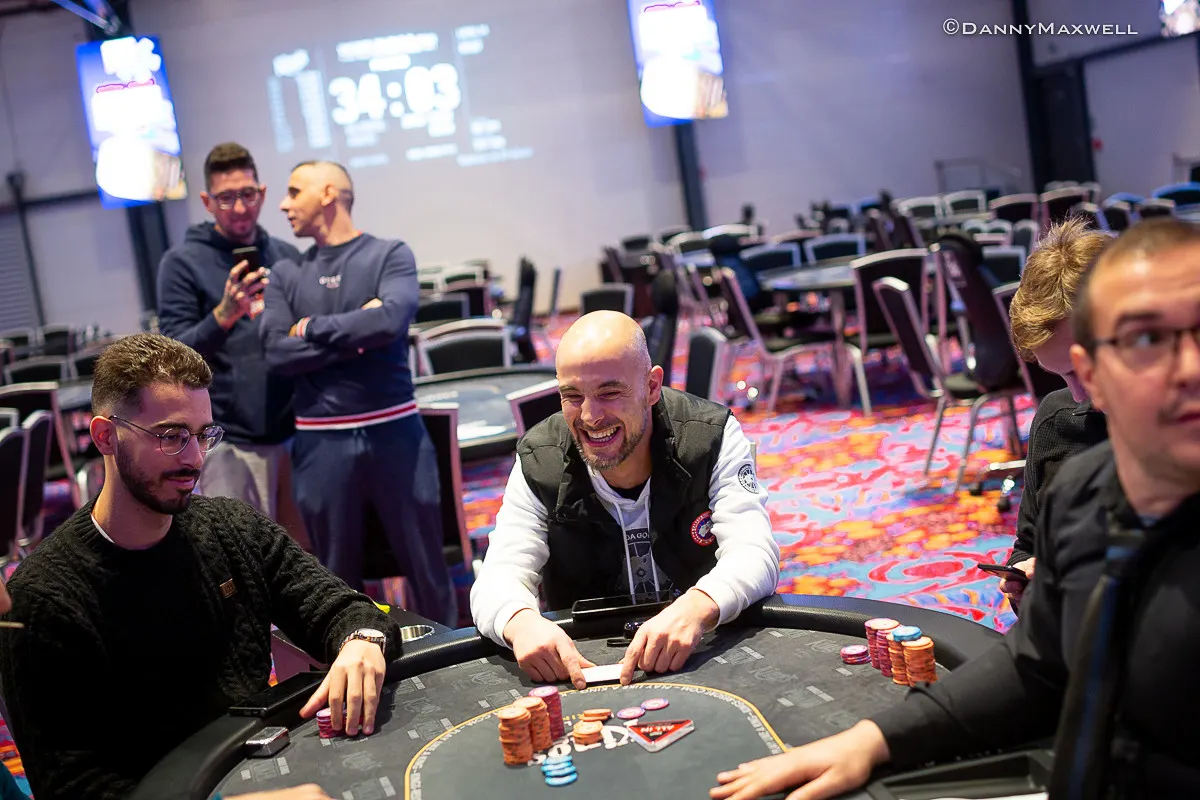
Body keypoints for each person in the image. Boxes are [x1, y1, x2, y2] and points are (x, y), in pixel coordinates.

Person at [709, 218, 1200, 799]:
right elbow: (1037, 666)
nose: (1188, 367)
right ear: (1091, 369)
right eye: (1147, 340)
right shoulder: (1081, 489)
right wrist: (870, 740)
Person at [0, 334, 403, 800]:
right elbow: (73, 789)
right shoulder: (44, 599)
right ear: (106, 436)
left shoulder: (230, 527)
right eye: (171, 437)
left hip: (265, 770)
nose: (194, 459)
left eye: (203, 435)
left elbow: (343, 609)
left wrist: (363, 641)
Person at [470, 311, 780, 688]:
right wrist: (520, 623)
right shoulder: (539, 459)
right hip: (587, 666)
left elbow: (755, 553)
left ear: (652, 387)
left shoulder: (711, 435)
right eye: (572, 396)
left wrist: (697, 606)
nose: (590, 416)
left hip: (703, 650)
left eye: (609, 393)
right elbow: (497, 577)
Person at [259, 161, 457, 626]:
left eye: (295, 191)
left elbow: (390, 320)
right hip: (320, 444)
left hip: (396, 434)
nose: (284, 204)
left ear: (328, 193)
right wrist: (359, 336)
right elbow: (276, 352)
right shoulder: (286, 273)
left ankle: (455, 655)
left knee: (429, 571)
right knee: (333, 580)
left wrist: (309, 328)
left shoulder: (390, 254)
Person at [156, 142, 309, 549]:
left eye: (247, 194)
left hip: (298, 433)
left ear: (262, 194)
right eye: (226, 198)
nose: (239, 207)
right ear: (207, 202)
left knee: (305, 559)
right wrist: (223, 315)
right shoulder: (182, 264)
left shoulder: (287, 256)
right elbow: (172, 358)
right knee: (246, 559)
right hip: (229, 440)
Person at [1000, 218, 1110, 610]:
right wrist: (1026, 581)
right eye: (1062, 375)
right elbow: (1027, 546)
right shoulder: (1056, 419)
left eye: (1087, 370)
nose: (1081, 395)